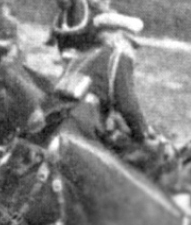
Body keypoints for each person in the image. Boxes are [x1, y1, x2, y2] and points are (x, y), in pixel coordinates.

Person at [39, 12, 154, 159]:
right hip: (83, 125)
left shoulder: (82, 55)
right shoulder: (118, 55)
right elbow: (128, 105)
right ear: (118, 36)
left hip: (53, 118)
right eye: (131, 43)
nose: (133, 51)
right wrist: (143, 134)